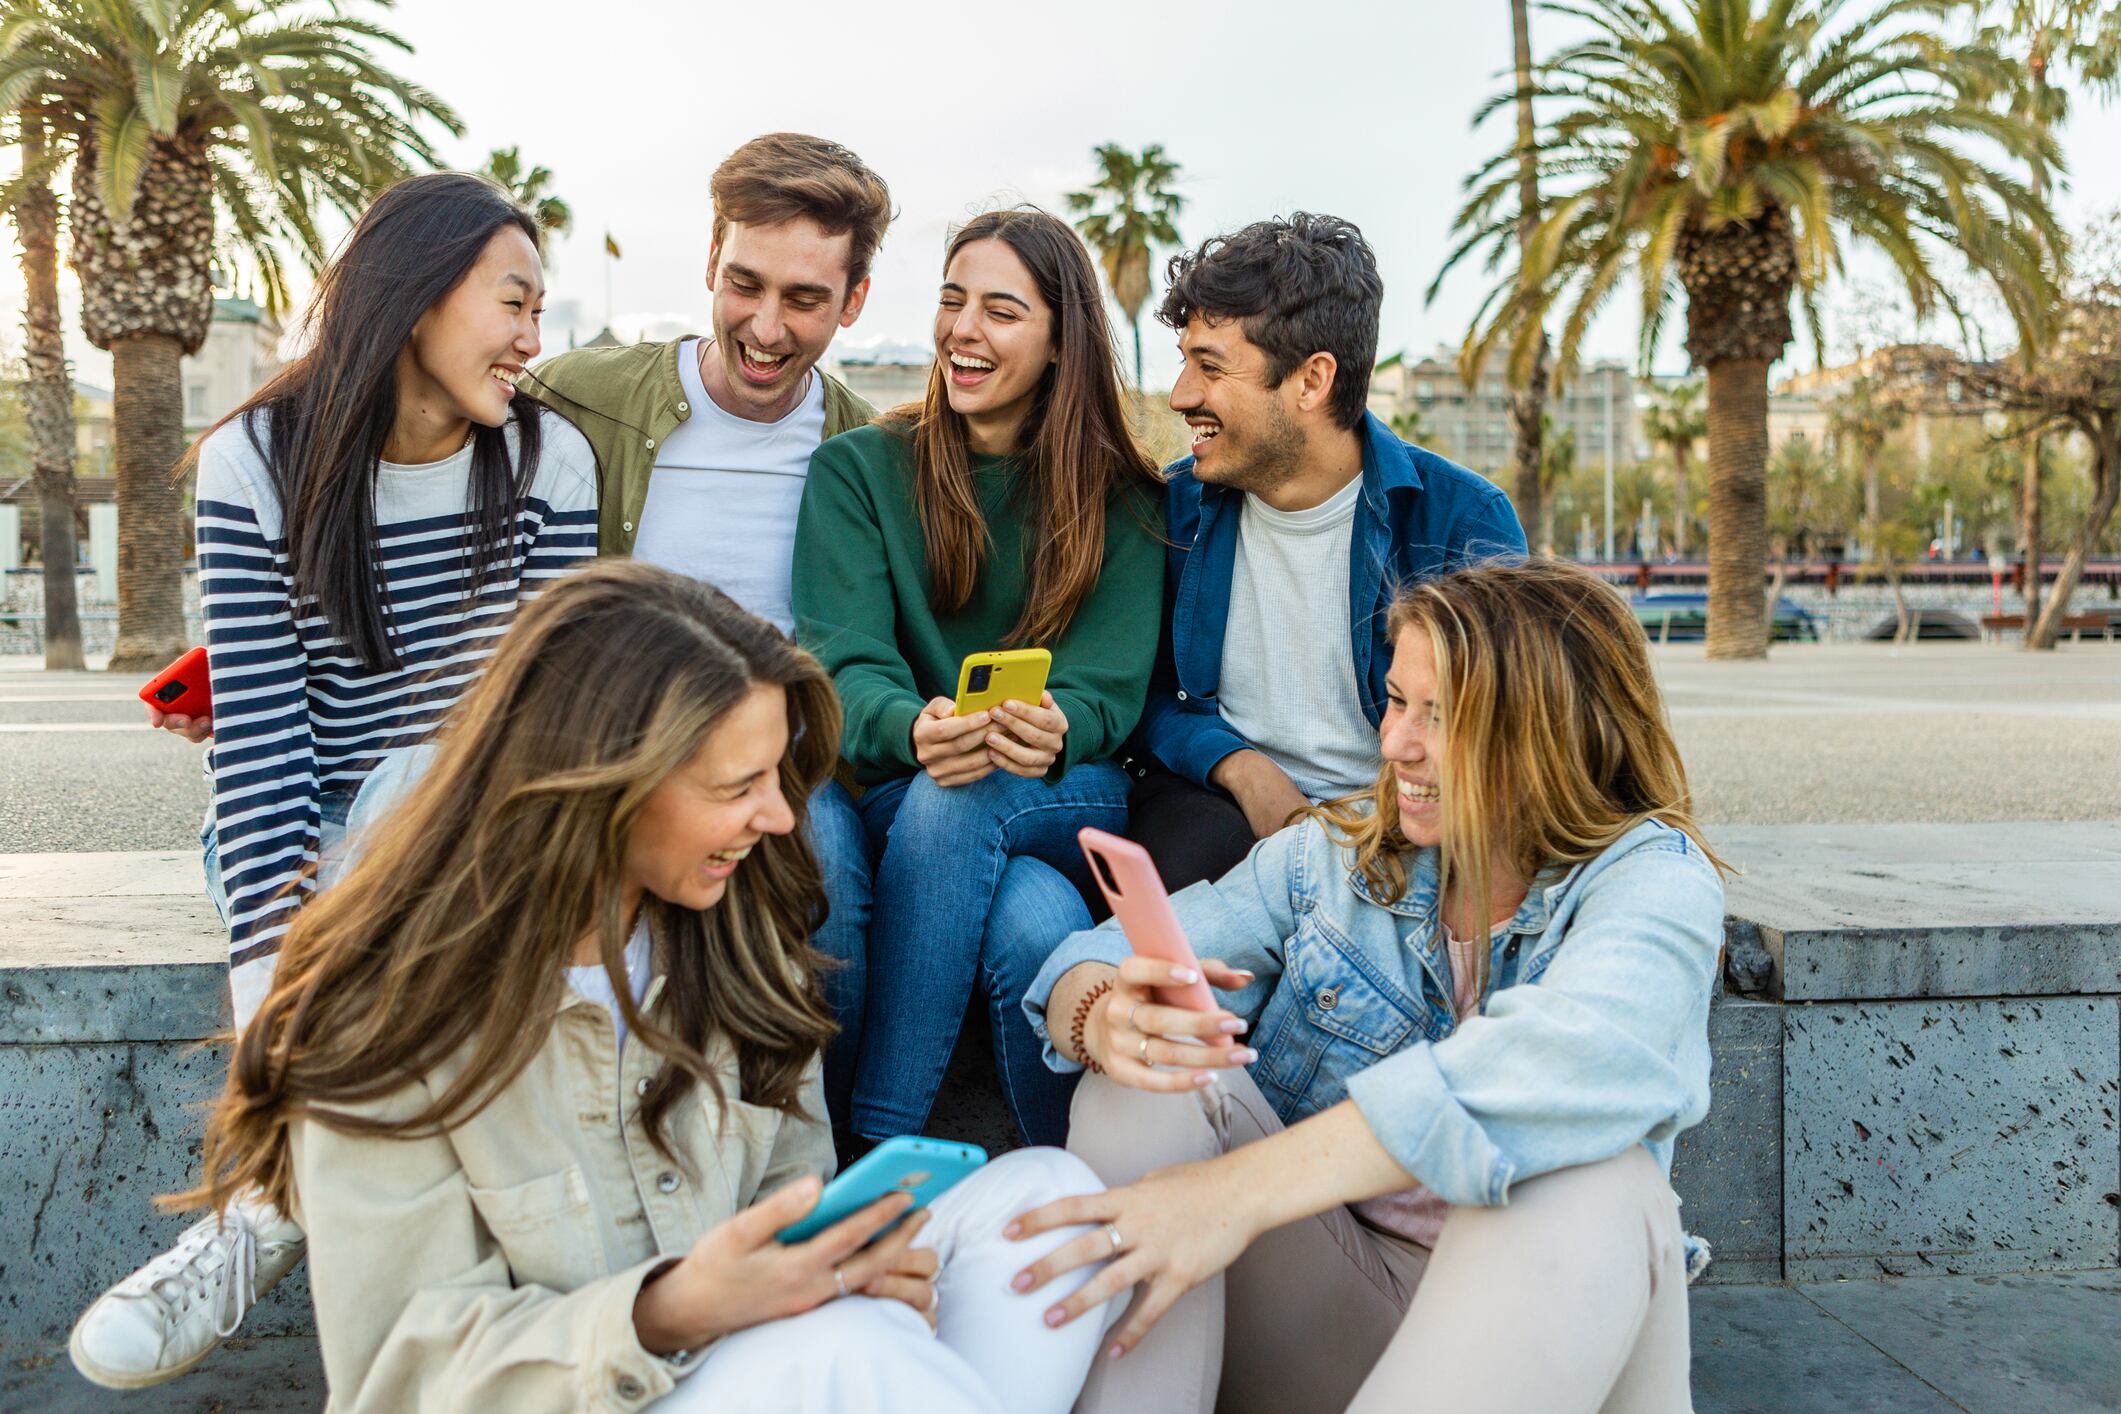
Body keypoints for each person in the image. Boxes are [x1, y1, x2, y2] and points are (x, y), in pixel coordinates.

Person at [170, 562, 1117, 1413]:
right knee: (840, 1353)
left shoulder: (740, 939)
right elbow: (402, 1379)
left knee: (1052, 1205)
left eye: (778, 777)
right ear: (599, 782)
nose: (781, 817)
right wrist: (671, 1309)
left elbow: (796, 1180)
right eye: (736, 785)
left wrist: (845, 1262)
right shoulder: (379, 1009)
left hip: (765, 1360)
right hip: (608, 1387)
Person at [74, 172, 599, 1389]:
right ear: (416, 295)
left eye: (540, 311)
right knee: (374, 850)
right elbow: (261, 767)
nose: (533, 340)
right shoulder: (256, 458)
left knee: (437, 788)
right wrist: (272, 1024)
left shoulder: (547, 462)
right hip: (307, 827)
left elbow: (537, 735)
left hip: (479, 833)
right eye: (514, 303)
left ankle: (260, 1211)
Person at [1013, 560, 1729, 1414]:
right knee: (1148, 1073)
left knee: (1599, 1178)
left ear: (1553, 732)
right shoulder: (1340, 856)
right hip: (1337, 1312)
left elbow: (1565, 1066)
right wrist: (1101, 1015)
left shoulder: (1654, 879)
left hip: (1546, 1340)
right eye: (1395, 701)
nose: (1396, 744)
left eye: (1442, 716)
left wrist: (1231, 1195)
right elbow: (1086, 962)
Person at [526, 132, 891, 1129]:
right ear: (710, 266)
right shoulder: (577, 398)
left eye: (806, 300)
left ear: (854, 302)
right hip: (609, 741)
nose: (766, 327)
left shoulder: (871, 452)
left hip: (784, 760)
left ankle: (826, 1158)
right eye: (745, 285)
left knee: (841, 886)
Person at [792, 208, 1164, 1150]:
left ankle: (874, 1152)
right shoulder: (859, 471)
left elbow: (1109, 688)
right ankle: (1048, 1177)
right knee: (1031, 925)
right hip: (895, 774)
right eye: (953, 301)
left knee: (973, 790)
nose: (962, 329)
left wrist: (1059, 723)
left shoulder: (1123, 495)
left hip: (1055, 788)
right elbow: (842, 662)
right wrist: (914, 725)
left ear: (1058, 340)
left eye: (1000, 310)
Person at [1127, 213, 1527, 896]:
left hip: (1409, 816)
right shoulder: (1173, 509)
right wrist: (1240, 767)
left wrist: (1378, 820)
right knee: (1186, 850)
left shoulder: (1462, 522)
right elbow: (1147, 692)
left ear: (1311, 382)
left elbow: (1510, 732)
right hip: (1218, 811)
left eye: (1209, 367)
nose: (1180, 396)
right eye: (1184, 361)